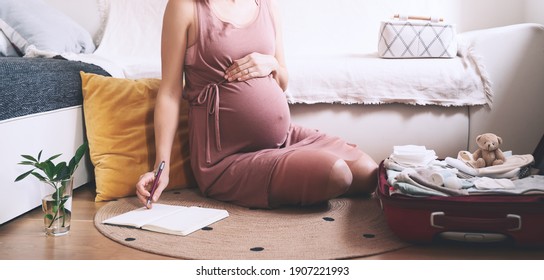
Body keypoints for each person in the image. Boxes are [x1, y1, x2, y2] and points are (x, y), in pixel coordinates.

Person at [136, 0, 378, 209]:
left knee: (368, 173)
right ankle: (299, 177)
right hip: (225, 159)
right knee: (337, 174)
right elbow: (169, 92)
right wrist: (162, 165)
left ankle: (300, 174)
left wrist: (270, 63)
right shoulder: (186, 7)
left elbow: (282, 79)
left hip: (284, 139)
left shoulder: (267, 5)